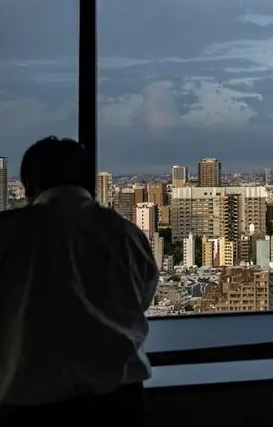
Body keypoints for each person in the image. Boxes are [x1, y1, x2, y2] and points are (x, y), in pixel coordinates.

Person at [0, 137, 159, 421]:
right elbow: (142, 299)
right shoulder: (127, 234)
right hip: (120, 402)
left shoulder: (10, 232)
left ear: (30, 184)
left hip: (30, 402)